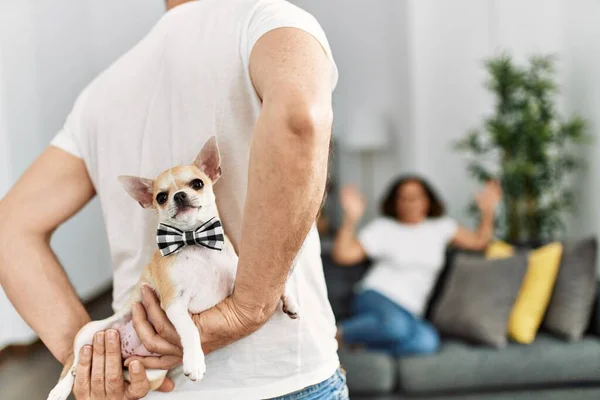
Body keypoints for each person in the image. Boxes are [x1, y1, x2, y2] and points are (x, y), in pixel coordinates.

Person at [0, 0, 347, 399]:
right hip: (283, 377)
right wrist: (246, 308)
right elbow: (300, 119)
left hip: (153, 387)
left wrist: (99, 362)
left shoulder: (99, 94)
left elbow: (11, 228)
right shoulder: (269, 22)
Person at [332, 176, 502, 356]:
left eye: (415, 197)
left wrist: (488, 211)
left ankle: (361, 344)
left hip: (410, 310)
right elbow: (343, 255)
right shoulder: (383, 227)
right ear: (395, 203)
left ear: (427, 200)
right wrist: (350, 219)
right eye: (403, 197)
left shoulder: (441, 227)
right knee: (394, 325)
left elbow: (479, 242)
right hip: (377, 296)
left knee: (426, 342)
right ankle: (335, 334)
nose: (409, 203)